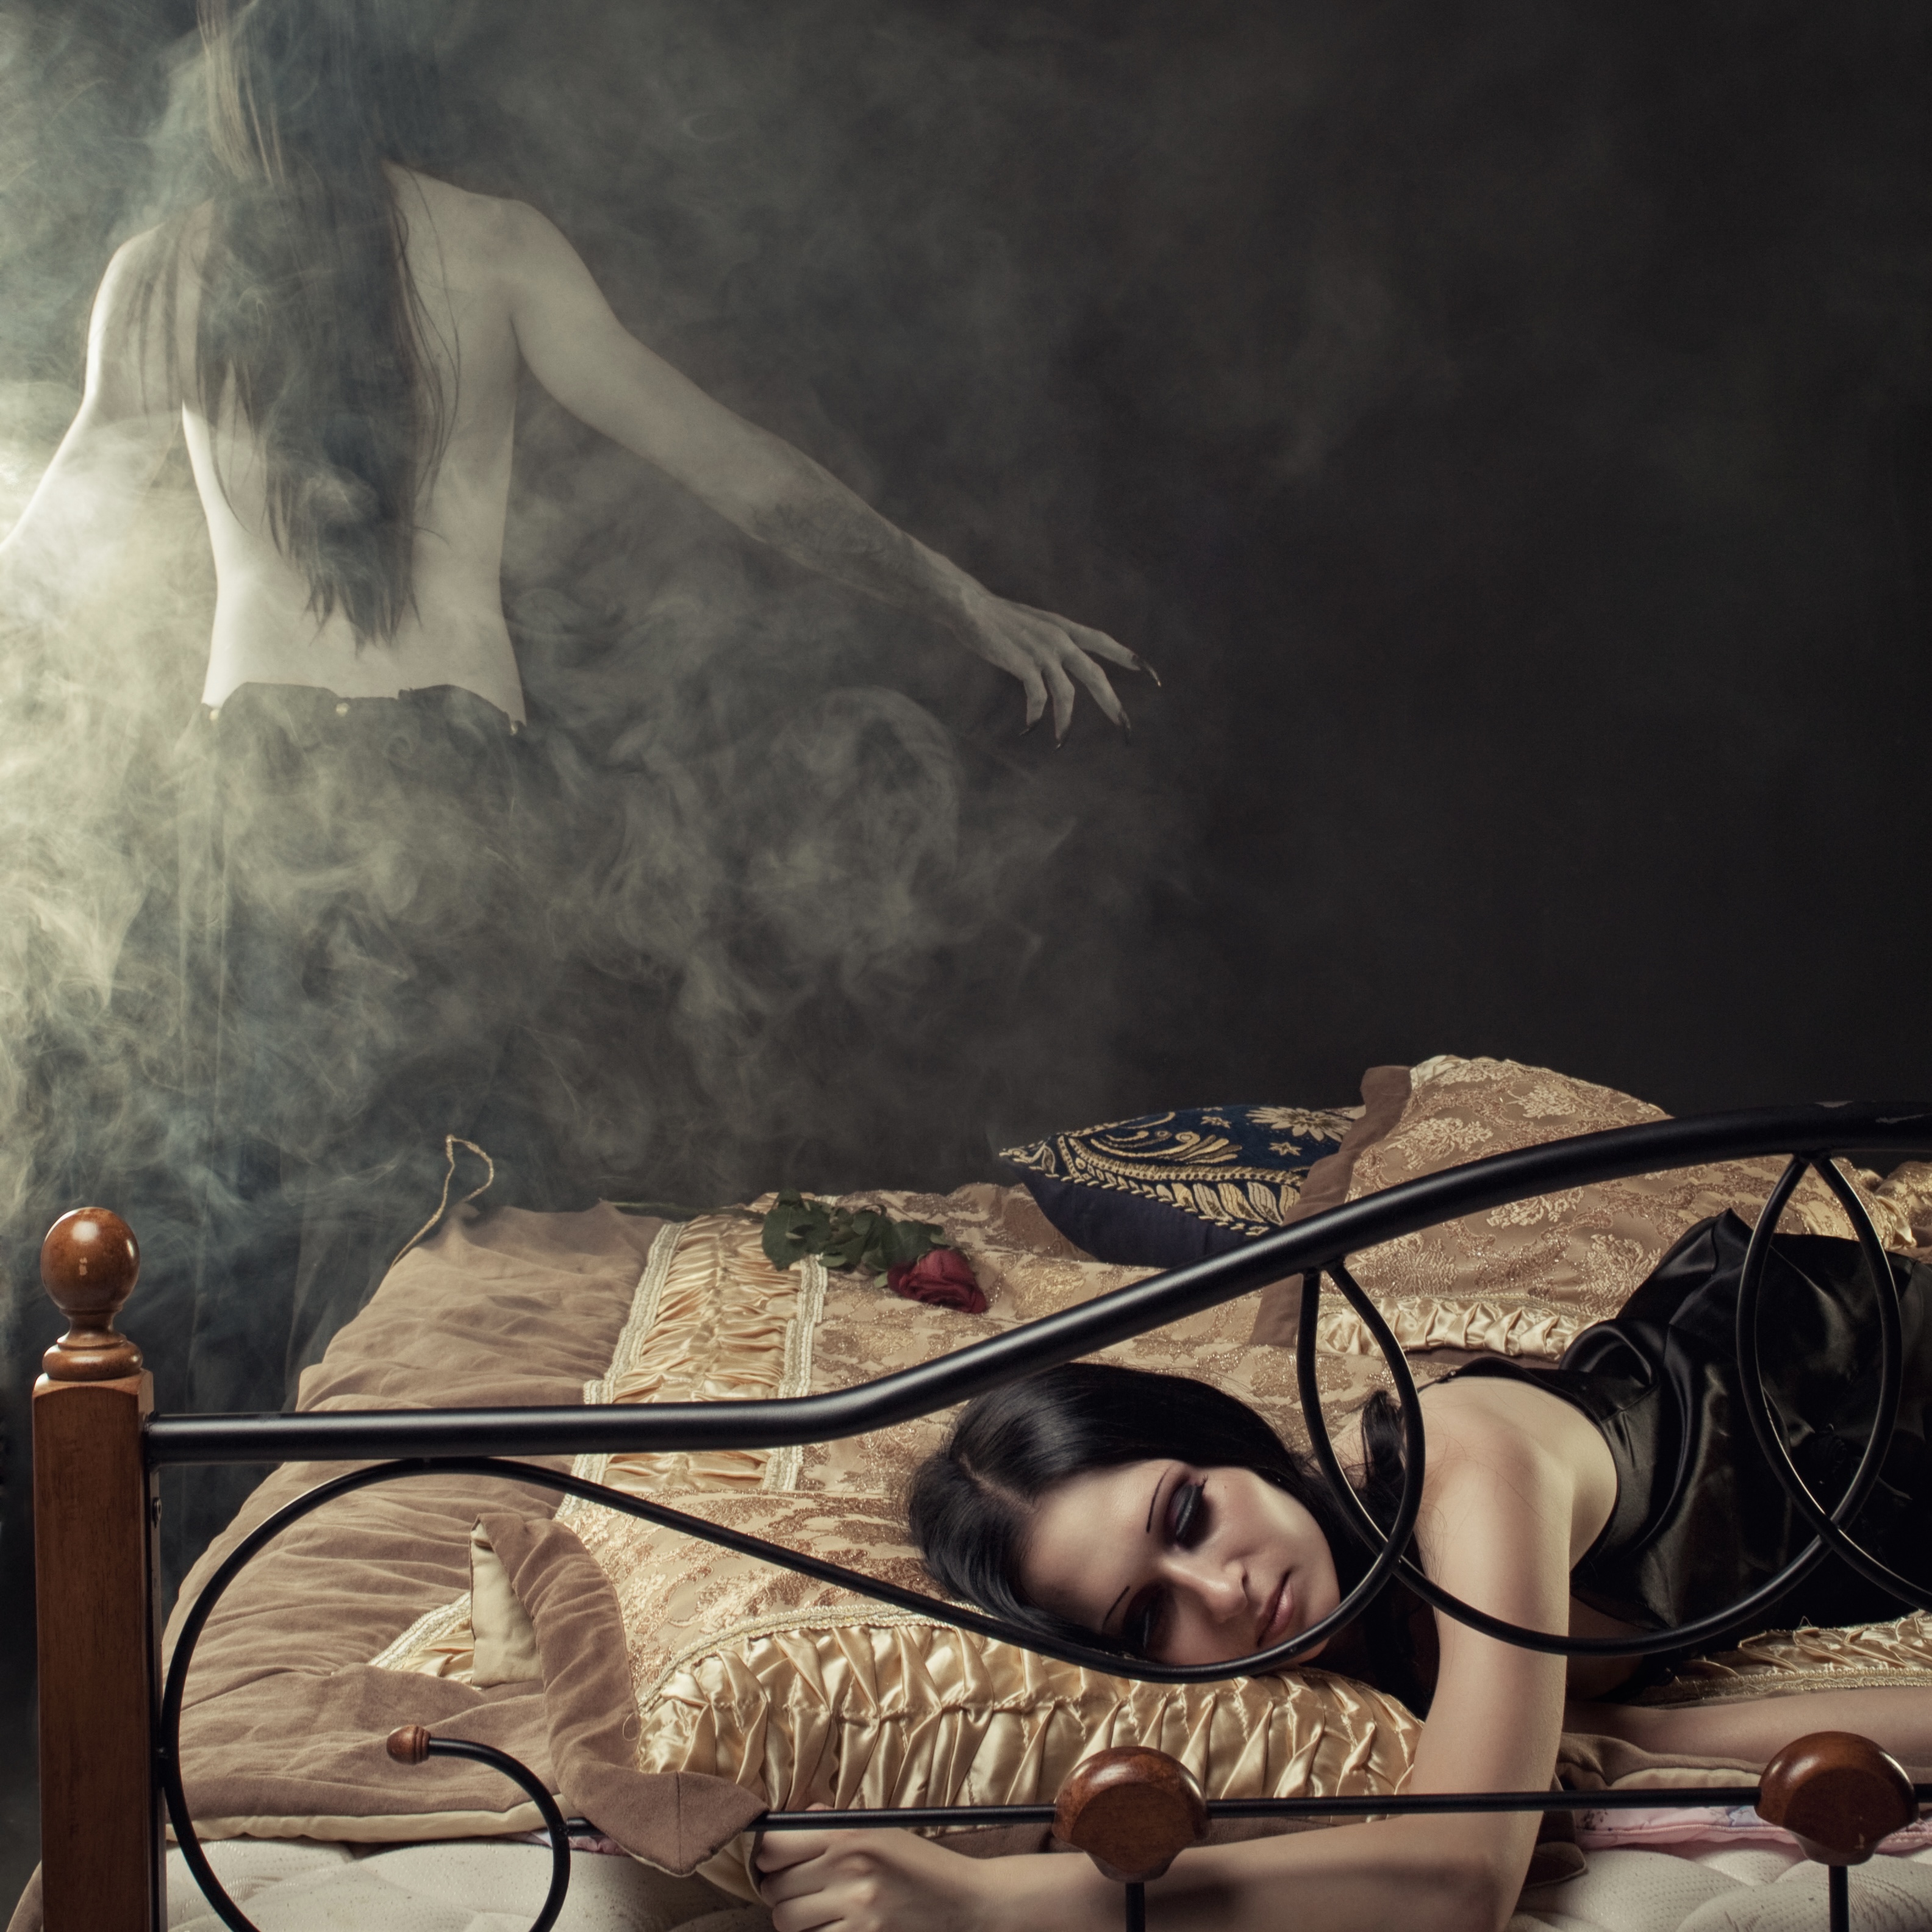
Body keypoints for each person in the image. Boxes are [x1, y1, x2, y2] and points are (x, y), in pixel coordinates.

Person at [0, 0, 1151, 1576]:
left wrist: (962, 596)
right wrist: (961, 597)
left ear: (224, 83)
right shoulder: (489, 247)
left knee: (242, 1266)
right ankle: (433, 1614)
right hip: (454, 795)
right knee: (471, 1242)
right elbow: (734, 470)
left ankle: (222, 1648)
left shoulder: (163, 278)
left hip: (259, 799)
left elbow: (41, 568)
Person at [753, 1214, 1932, 1931]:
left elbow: (1458, 1878)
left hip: (1878, 1390)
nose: (1222, 1591)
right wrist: (1611, 1748)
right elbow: (1639, 1736)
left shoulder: (1466, 1463)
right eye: (1148, 1617)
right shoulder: (1375, 1651)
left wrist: (986, 1904)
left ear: (1231, 1449)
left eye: (1188, 1514)